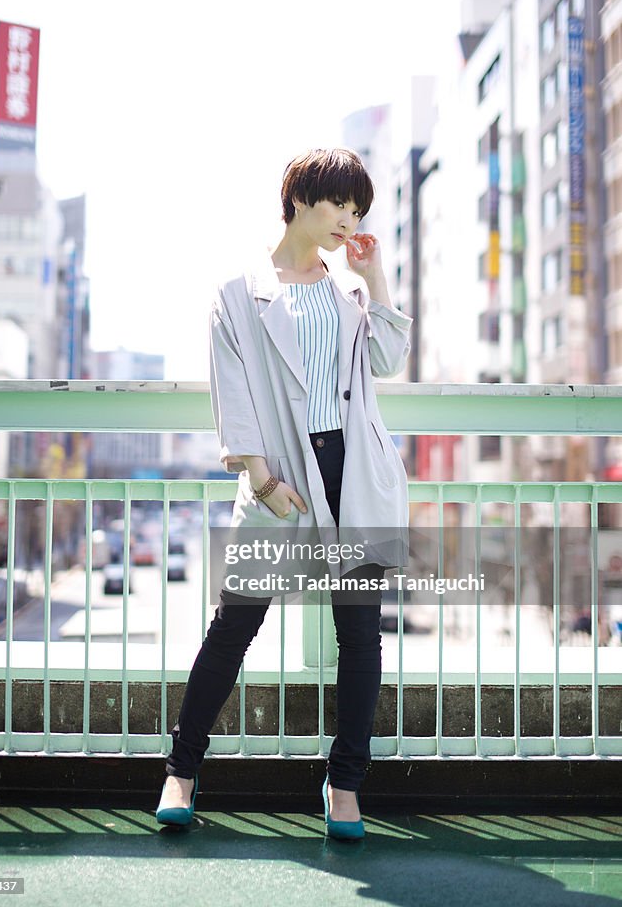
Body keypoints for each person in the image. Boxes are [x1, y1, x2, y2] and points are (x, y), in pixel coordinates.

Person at [156, 147, 413, 838]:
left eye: (357, 209)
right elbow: (232, 390)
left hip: (353, 472)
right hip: (280, 479)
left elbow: (388, 361)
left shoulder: (346, 290)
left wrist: (375, 276)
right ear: (299, 199)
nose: (347, 219)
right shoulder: (238, 293)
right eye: (338, 204)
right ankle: (182, 770)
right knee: (234, 624)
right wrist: (258, 475)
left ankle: (344, 782)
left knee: (360, 635)